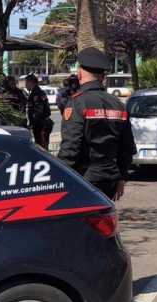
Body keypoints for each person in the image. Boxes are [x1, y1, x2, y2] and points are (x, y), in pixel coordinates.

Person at [58, 47, 137, 200]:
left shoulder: (77, 103)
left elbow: (70, 148)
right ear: (103, 75)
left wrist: (60, 178)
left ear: (80, 73)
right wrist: (121, 177)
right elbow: (127, 147)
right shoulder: (118, 104)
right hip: (111, 179)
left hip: (84, 180)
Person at [25, 74, 54, 149]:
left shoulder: (36, 94)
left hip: (41, 125)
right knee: (40, 146)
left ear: (31, 82)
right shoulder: (37, 92)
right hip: (40, 124)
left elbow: (38, 111)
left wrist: (32, 124)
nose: (25, 85)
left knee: (42, 148)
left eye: (26, 83)